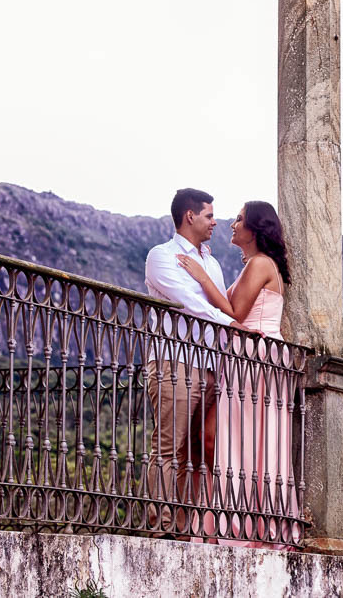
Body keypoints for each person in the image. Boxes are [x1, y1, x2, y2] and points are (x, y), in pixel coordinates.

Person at [175, 200, 297, 548]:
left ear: (255, 228)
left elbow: (235, 311)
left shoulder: (260, 263)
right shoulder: (254, 265)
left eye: (240, 219)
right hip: (244, 358)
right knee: (231, 441)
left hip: (258, 359)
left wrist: (200, 276)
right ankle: (233, 520)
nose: (232, 224)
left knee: (247, 442)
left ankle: (253, 524)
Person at [143, 188, 249, 536]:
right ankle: (161, 526)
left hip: (209, 366)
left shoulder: (212, 263)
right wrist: (228, 324)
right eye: (209, 215)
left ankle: (186, 525)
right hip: (175, 361)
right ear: (190, 216)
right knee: (168, 446)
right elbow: (189, 302)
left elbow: (219, 302)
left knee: (199, 451)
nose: (215, 221)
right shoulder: (162, 256)